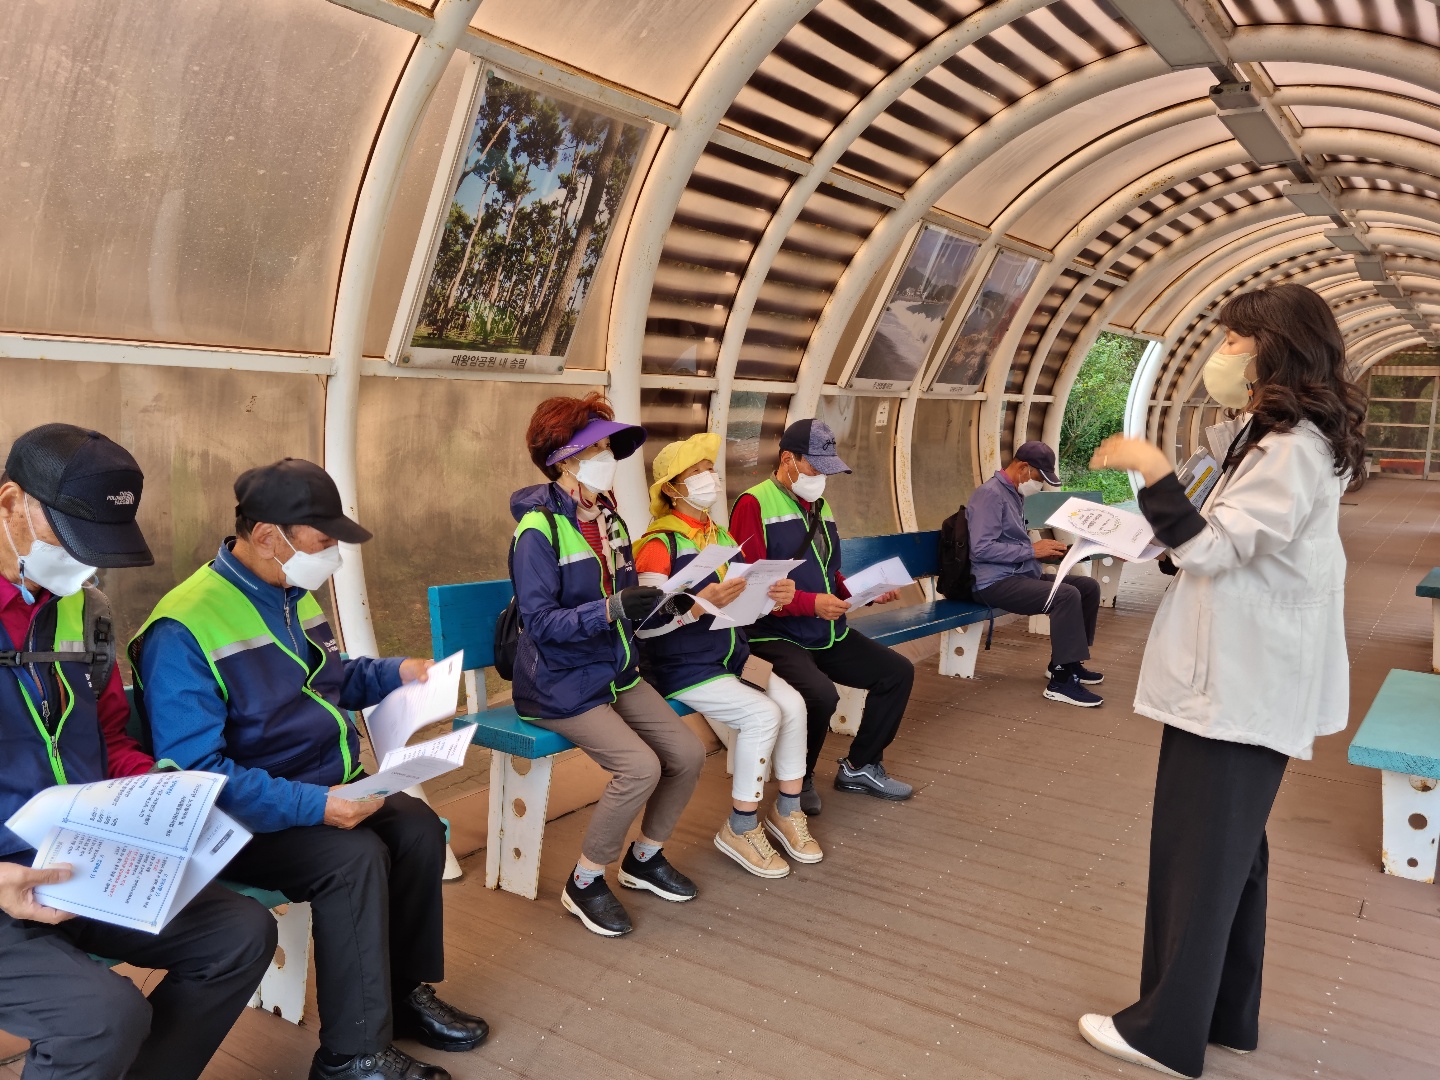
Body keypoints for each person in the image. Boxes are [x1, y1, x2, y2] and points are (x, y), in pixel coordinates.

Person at [1076, 283, 1364, 1078]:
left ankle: (1163, 1034)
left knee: (1198, 855)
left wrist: (1151, 469)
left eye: (1236, 339)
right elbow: (1217, 537)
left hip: (1238, 681)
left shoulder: (1292, 449)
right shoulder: (1277, 438)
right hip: (1240, 677)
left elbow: (1211, 548)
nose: (1223, 353)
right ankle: (1225, 1015)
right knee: (1232, 854)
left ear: (1277, 348)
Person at [130, 458, 486, 1080]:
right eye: (324, 543)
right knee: (353, 859)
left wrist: (399, 673)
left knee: (417, 828)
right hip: (241, 820)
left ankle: (400, 994)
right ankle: (350, 1053)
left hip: (320, 789)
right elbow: (197, 774)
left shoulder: (290, 594)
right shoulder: (183, 626)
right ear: (270, 536)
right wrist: (315, 806)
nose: (333, 558)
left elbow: (332, 679)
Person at [0, 424, 277, 1080]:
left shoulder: (85, 610)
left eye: (97, 548)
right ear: (10, 502)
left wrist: (166, 797)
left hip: (78, 861)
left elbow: (110, 739)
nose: (83, 565)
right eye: (70, 539)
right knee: (103, 1016)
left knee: (240, 934)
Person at [511, 394, 705, 937]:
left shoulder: (609, 519)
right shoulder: (538, 531)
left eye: (605, 448)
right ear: (563, 459)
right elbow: (540, 623)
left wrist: (673, 605)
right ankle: (586, 880)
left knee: (688, 753)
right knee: (640, 767)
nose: (607, 458)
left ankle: (644, 858)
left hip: (613, 670)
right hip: (557, 683)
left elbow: (627, 600)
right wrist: (613, 609)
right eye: (594, 449)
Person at [634, 433, 820, 879]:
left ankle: (788, 810)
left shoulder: (718, 535)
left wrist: (770, 596)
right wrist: (699, 605)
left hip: (729, 656)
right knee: (762, 714)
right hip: (683, 666)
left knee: (794, 704)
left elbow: (738, 605)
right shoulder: (658, 546)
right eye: (695, 472)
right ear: (671, 488)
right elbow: (643, 625)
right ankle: (740, 826)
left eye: (708, 470)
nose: (708, 478)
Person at [729, 418, 915, 814]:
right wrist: (809, 604)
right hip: (773, 633)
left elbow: (829, 572)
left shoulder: (820, 505)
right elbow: (748, 584)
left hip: (825, 630)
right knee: (820, 694)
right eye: (815, 467)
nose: (821, 477)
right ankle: (801, 776)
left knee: (897, 672)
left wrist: (865, 593)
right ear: (788, 459)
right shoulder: (753, 503)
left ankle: (860, 766)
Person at [967, 441, 1105, 707]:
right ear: (1023, 467)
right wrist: (1032, 551)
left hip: (1020, 575)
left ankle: (1067, 663)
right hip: (994, 582)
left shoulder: (1013, 493)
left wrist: (1050, 551)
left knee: (1088, 587)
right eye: (1039, 478)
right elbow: (981, 549)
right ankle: (1061, 682)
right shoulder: (990, 495)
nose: (1039, 484)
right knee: (1065, 595)